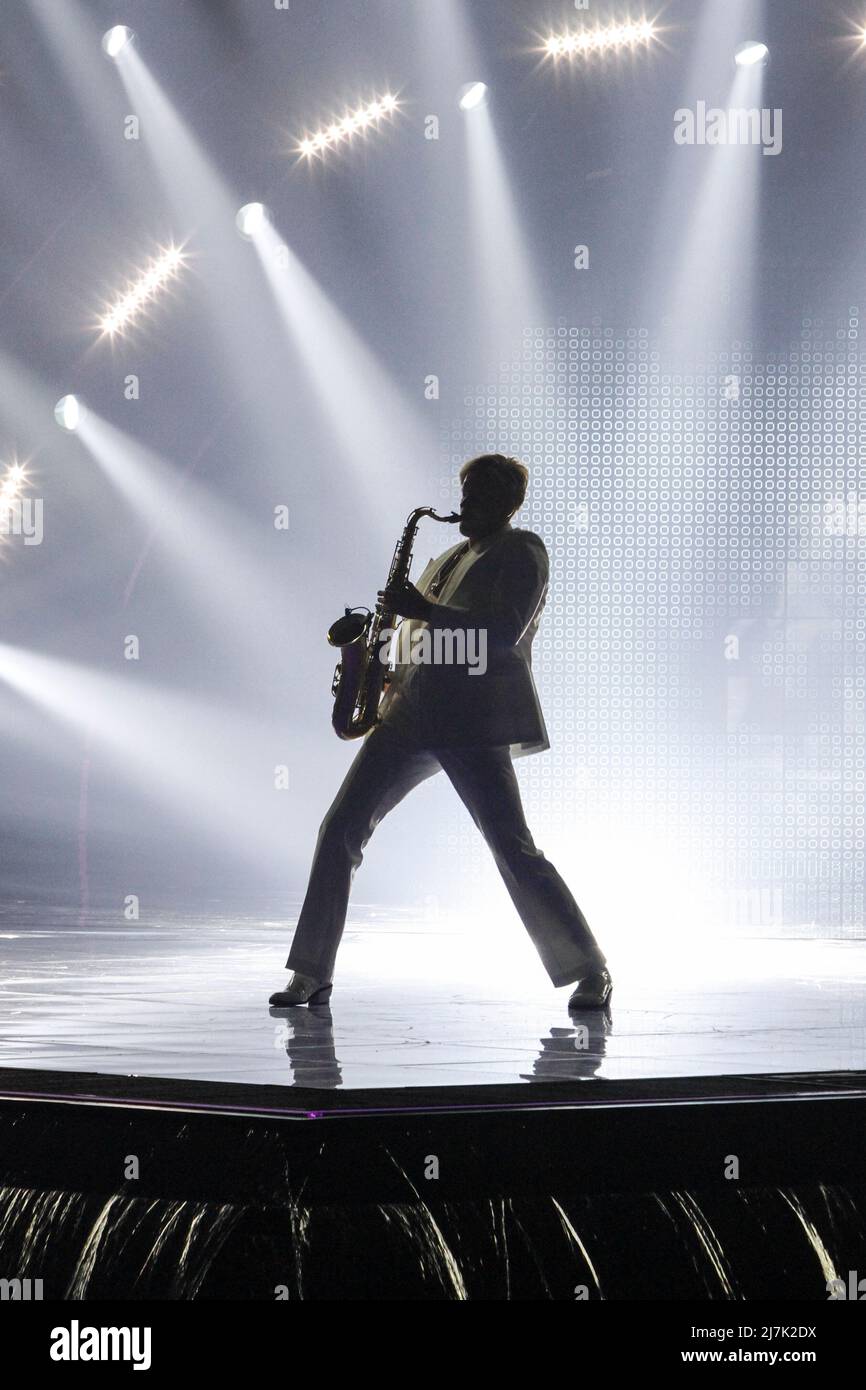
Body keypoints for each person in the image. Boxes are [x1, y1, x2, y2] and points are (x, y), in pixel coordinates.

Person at [269, 454, 612, 1012]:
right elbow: (411, 631)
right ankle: (310, 973)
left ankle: (589, 968)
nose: (464, 502)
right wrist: (377, 668)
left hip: (473, 719)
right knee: (339, 831)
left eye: (477, 493)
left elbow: (501, 633)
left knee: (512, 849)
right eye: (464, 490)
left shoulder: (523, 550)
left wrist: (423, 607)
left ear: (506, 501)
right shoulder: (447, 557)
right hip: (408, 712)